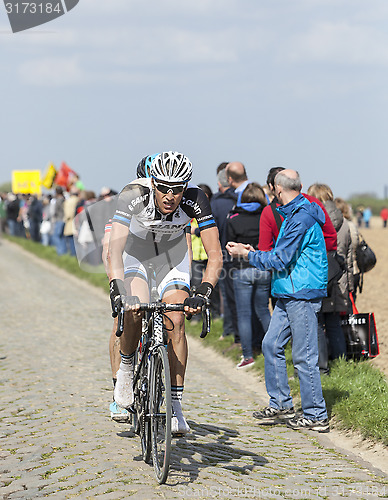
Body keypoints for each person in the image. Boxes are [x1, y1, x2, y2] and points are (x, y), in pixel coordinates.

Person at [107, 151, 223, 435]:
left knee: (177, 320)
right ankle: (125, 371)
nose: (170, 195)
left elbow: (215, 255)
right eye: (164, 188)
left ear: (186, 188)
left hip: (172, 258)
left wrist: (204, 292)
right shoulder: (133, 193)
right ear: (153, 183)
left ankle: (175, 404)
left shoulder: (196, 200)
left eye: (177, 189)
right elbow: (114, 250)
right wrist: (117, 286)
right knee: (135, 307)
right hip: (137, 254)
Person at [226, 169, 329, 433]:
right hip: (288, 291)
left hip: (301, 293)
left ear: (277, 190)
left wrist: (245, 256)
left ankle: (316, 414)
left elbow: (281, 259)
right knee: (271, 345)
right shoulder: (295, 213)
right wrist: (253, 251)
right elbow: (279, 254)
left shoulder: (300, 219)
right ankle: (282, 403)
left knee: (304, 356)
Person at [226, 183, 271, 369]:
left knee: (243, 314)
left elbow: (227, 246)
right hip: (263, 268)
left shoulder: (233, 219)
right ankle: (274, 352)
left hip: (241, 269)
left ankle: (247, 356)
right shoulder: (267, 216)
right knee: (264, 311)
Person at [307, 184, 353, 362]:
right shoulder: (345, 222)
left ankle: (321, 366)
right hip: (338, 277)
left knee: (317, 323)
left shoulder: (314, 218)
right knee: (334, 323)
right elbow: (348, 254)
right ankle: (341, 363)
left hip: (318, 274)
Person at [210, 166, 239, 342]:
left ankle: (229, 330)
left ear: (220, 183)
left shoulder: (215, 203)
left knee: (227, 297)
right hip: (244, 254)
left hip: (222, 253)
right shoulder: (241, 199)